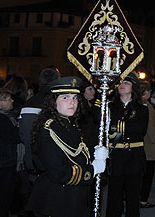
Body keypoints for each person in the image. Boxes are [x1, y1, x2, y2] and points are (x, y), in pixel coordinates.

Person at [27, 76, 107, 217]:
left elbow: (77, 156)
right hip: (57, 201)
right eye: (65, 97)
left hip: (75, 199)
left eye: (75, 98)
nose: (72, 102)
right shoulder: (48, 130)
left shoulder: (70, 124)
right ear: (53, 102)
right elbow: (59, 173)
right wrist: (92, 169)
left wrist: (96, 154)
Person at [106, 72, 149, 217]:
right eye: (120, 83)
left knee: (133, 196)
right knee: (114, 196)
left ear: (133, 88)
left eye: (126, 83)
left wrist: (117, 126)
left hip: (134, 157)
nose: (122, 85)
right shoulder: (109, 107)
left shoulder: (142, 109)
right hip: (116, 156)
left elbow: (140, 129)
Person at [0, 88, 20, 217]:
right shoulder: (0, 119)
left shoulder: (7, 117)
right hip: (3, 162)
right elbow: (14, 137)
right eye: (8, 99)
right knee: (2, 198)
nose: (12, 101)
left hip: (6, 162)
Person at [137, 81, 155, 209]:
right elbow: (150, 126)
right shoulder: (147, 106)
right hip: (149, 144)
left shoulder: (137, 104)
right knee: (147, 174)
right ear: (146, 92)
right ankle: (143, 199)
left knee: (141, 173)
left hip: (141, 143)